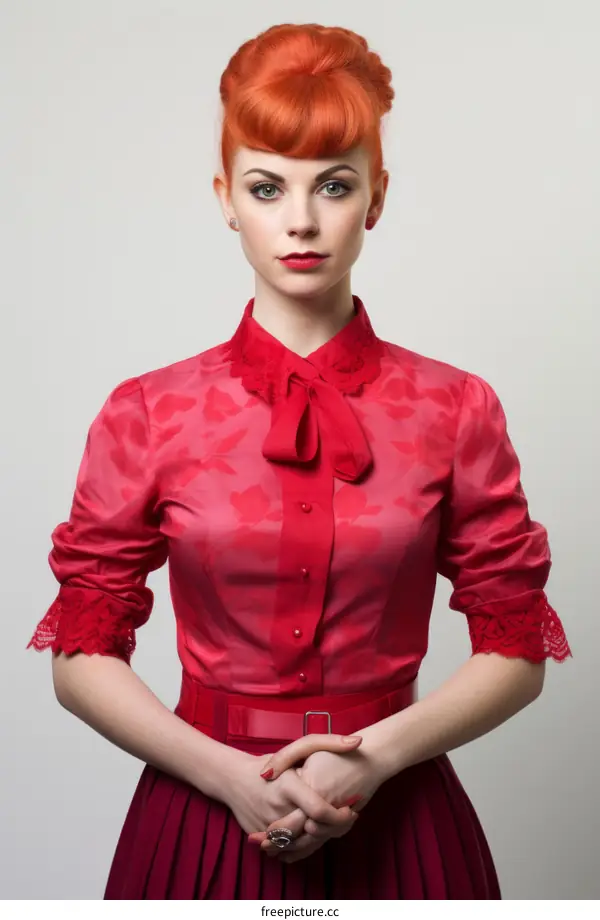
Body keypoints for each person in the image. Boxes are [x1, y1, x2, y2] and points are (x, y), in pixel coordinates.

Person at [27, 22, 572, 900]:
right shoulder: (149, 411)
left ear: (377, 197)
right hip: (202, 811)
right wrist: (229, 778)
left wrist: (375, 758)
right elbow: (81, 653)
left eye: (335, 184)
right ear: (225, 198)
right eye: (267, 186)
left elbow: (516, 645)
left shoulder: (456, 407)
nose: (302, 220)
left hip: (401, 813)